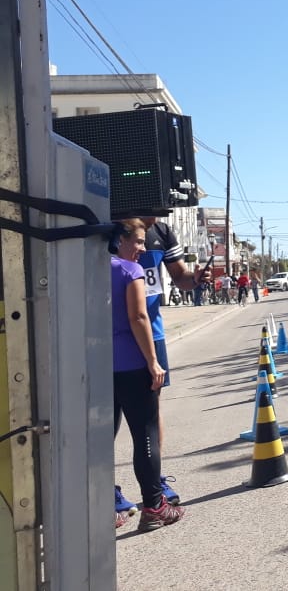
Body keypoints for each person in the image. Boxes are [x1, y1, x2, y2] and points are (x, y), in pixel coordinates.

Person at [112, 218, 187, 531]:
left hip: (99, 366)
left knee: (100, 440)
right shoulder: (130, 271)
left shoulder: (86, 269)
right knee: (146, 435)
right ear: (120, 239)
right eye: (139, 241)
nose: (143, 249)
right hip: (133, 365)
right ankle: (155, 507)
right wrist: (153, 361)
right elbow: (139, 317)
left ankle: (102, 507)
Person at [133, 216, 209, 508]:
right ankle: (105, 488)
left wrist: (195, 279)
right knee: (107, 411)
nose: (162, 212)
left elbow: (180, 277)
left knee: (152, 409)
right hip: (112, 331)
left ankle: (155, 480)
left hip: (153, 331)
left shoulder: (162, 231)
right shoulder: (114, 223)